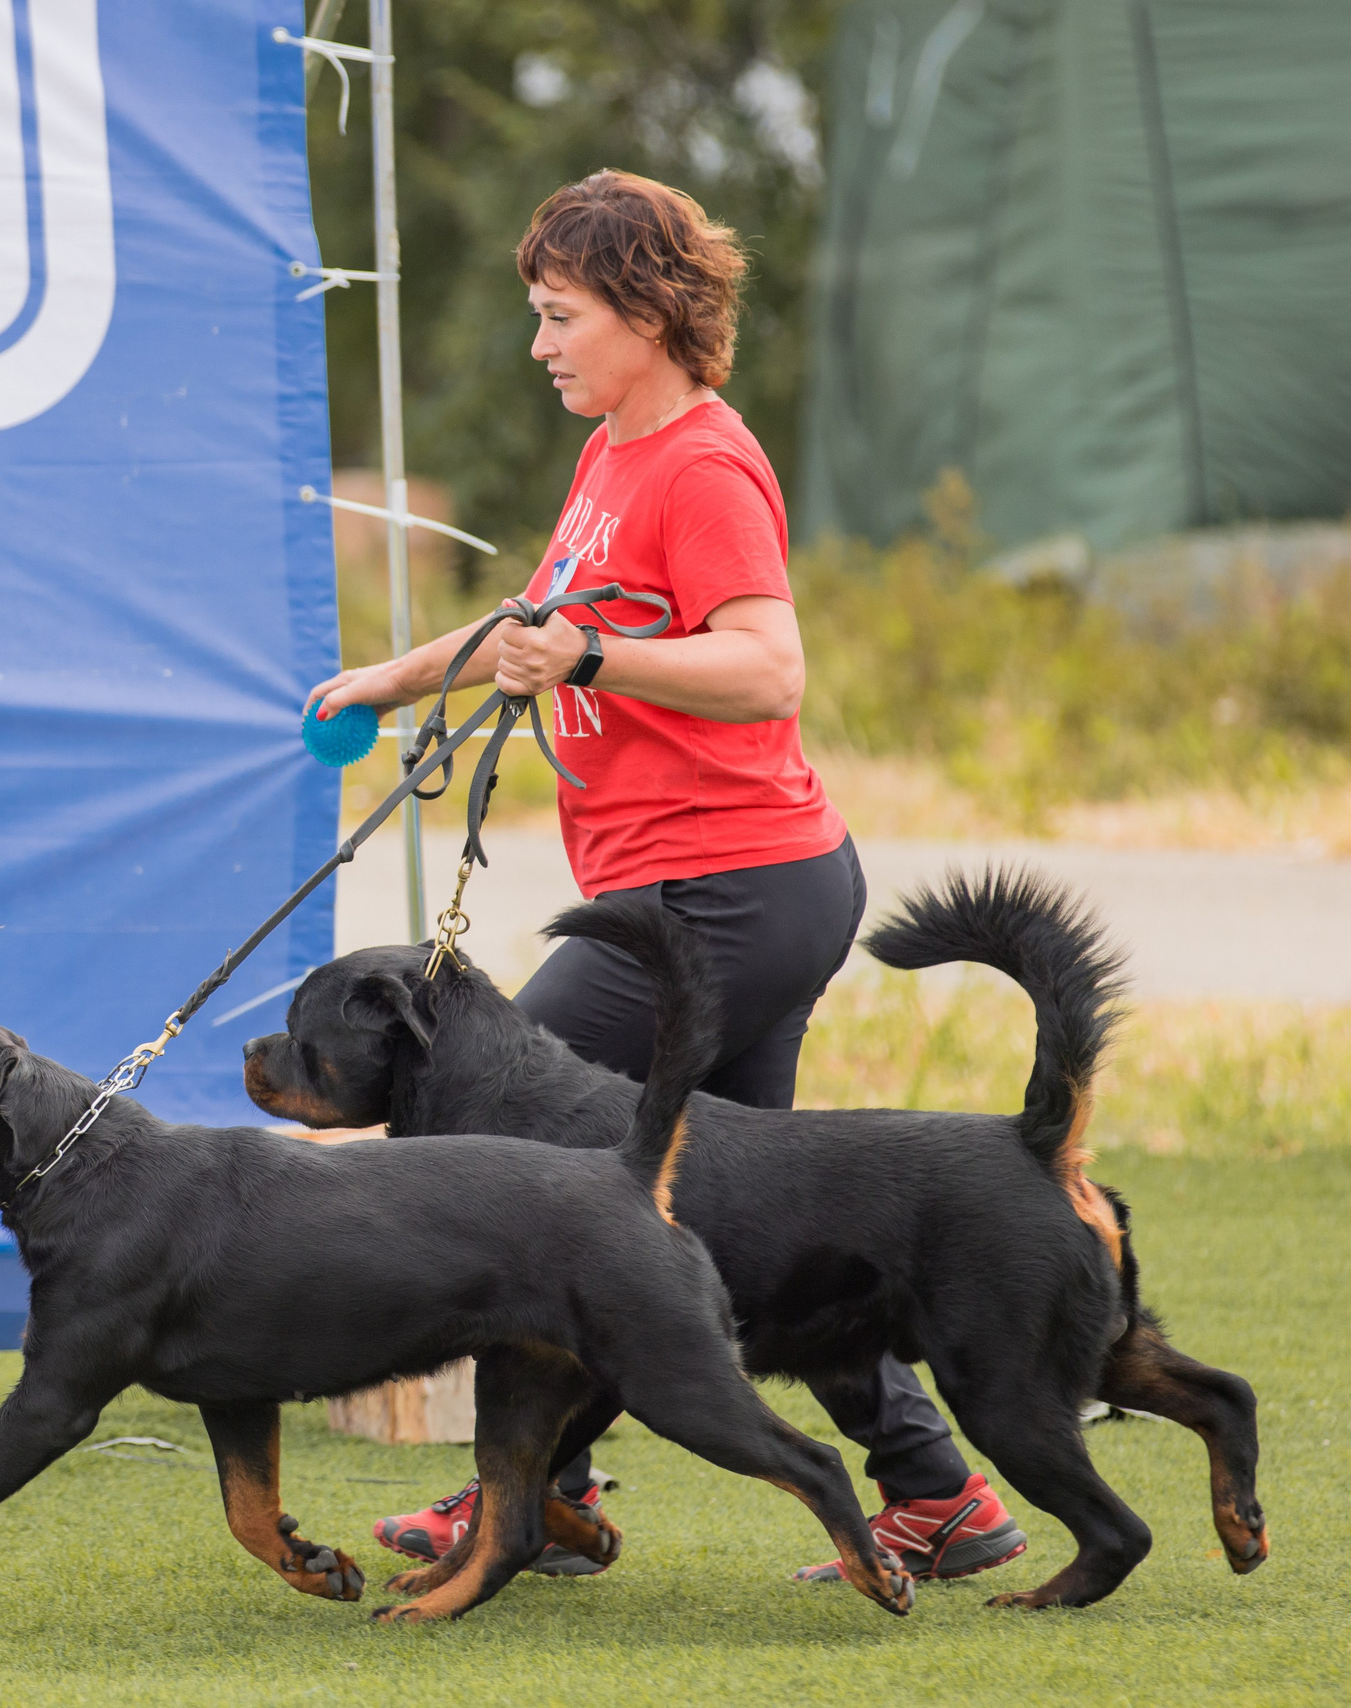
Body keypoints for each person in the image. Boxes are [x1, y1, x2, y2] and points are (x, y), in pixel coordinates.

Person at [304, 170, 1024, 1584]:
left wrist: (592, 659)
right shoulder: (614, 453)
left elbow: (767, 669)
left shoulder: (699, 464)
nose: (540, 345)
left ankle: (528, 1500)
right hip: (732, 892)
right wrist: (392, 682)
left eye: (560, 315)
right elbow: (540, 622)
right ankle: (936, 1494)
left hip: (723, 899)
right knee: (729, 1229)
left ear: (645, 310)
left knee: (519, 1163)